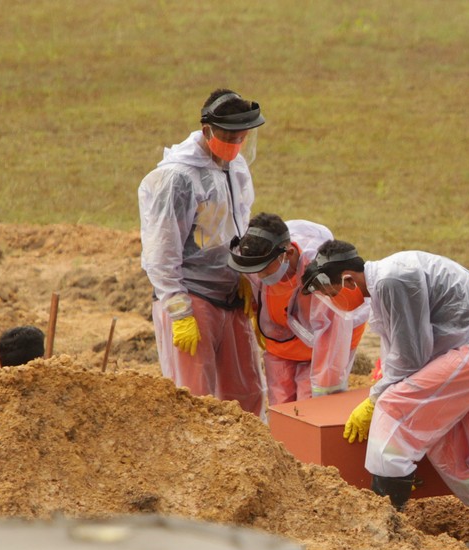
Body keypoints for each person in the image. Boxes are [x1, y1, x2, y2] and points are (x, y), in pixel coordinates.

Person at [300, 240, 469, 550]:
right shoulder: (386, 282)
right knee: (458, 447)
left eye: (332, 294)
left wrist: (374, 400)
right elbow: (401, 352)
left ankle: (383, 530)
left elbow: (411, 357)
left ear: (348, 280)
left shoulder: (392, 279)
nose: (335, 301)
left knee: (393, 409)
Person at [138, 88, 267, 419]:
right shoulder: (177, 179)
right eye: (230, 137)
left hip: (229, 294)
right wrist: (180, 312)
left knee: (247, 393)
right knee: (196, 399)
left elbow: (238, 224)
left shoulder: (235, 168)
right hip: (192, 297)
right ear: (207, 130)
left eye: (242, 138)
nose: (236, 145)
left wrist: (244, 275)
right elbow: (161, 253)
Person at [227, 212, 369, 407]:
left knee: (308, 403)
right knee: (280, 403)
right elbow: (258, 287)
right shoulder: (258, 255)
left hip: (327, 341)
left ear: (289, 254)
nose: (259, 275)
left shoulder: (321, 276)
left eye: (264, 269)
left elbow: (331, 339)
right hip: (282, 340)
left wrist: (324, 396)